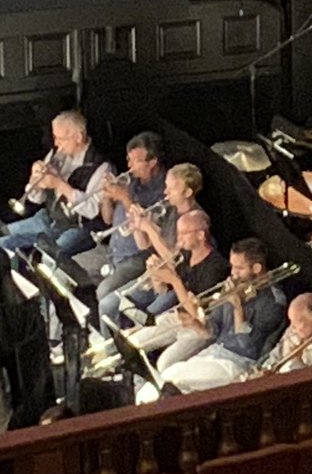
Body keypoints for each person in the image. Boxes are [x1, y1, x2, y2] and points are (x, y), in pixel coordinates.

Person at [145, 238, 285, 399]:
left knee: (173, 382)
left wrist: (238, 309)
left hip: (237, 364)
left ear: (257, 268)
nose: (233, 273)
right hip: (214, 352)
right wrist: (196, 324)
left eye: (239, 268)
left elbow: (249, 349)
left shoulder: (273, 301)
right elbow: (213, 331)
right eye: (232, 266)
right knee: (165, 375)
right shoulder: (233, 285)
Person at [104, 208, 228, 347]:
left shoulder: (216, 267)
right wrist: (157, 274)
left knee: (152, 354)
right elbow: (162, 291)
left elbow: (196, 312)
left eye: (184, 233)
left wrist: (174, 280)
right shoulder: (185, 255)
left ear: (200, 235)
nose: (179, 239)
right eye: (178, 233)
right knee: (131, 341)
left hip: (197, 325)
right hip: (176, 316)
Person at [1, 110, 112, 255]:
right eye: (55, 137)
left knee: (49, 256)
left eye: (61, 138)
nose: (56, 143)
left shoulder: (101, 167)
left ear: (78, 137)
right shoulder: (56, 155)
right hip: (49, 218)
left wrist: (60, 185)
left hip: (78, 227)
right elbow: (37, 199)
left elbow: (91, 210)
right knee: (3, 237)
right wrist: (35, 180)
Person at [87, 132, 167, 296]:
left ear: (153, 162)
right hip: (112, 250)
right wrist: (106, 198)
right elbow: (108, 219)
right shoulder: (130, 181)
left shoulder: (164, 192)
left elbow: (147, 237)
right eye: (128, 159)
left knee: (104, 291)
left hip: (137, 257)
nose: (130, 166)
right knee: (69, 268)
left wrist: (125, 198)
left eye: (136, 161)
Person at [256, 293, 312, 375]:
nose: (292, 327)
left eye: (298, 321)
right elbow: (274, 356)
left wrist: (295, 360)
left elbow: (310, 379)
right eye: (291, 321)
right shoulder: (292, 331)